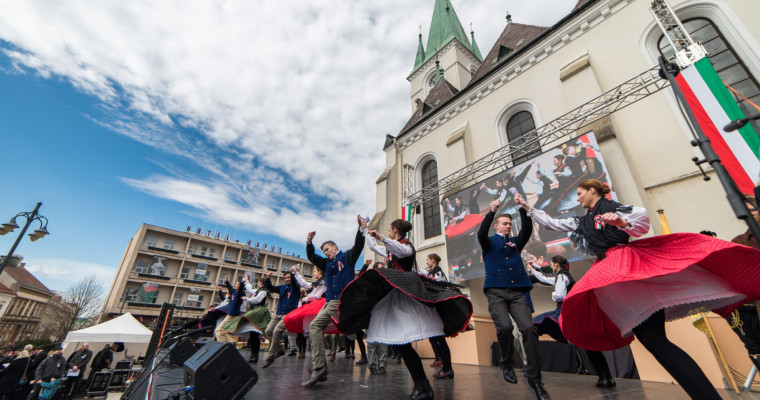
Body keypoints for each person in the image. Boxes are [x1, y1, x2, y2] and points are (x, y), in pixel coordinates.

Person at [516, 179, 760, 400]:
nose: (577, 198)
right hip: (614, 274)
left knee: (655, 340)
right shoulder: (583, 220)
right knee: (653, 341)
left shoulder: (614, 208)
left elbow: (640, 223)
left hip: (627, 268)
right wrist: (528, 208)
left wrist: (621, 221)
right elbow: (553, 222)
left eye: (580, 193)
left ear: (593, 190)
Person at [335, 219, 472, 400]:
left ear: (395, 231)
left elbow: (401, 251)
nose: (389, 233)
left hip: (407, 296)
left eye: (390, 230)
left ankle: (423, 386)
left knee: (403, 344)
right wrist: (365, 230)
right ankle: (422, 386)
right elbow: (375, 247)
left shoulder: (407, 246)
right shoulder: (392, 247)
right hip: (394, 297)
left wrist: (382, 237)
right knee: (401, 344)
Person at [477, 198, 549, 400]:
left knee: (528, 328)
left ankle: (536, 380)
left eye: (510, 224)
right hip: (496, 292)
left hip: (517, 291)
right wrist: (491, 212)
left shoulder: (515, 242)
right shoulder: (489, 241)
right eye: (505, 223)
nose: (508, 226)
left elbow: (526, 230)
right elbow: (481, 232)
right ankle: (507, 363)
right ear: (497, 225)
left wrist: (522, 209)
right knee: (505, 328)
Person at [529, 256, 615, 388]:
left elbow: (559, 295)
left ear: (556, 264)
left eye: (552, 264)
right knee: (591, 347)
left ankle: (605, 377)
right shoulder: (564, 275)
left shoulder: (562, 277)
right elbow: (546, 278)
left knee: (538, 323)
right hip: (576, 314)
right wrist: (534, 270)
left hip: (567, 313)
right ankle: (607, 377)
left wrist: (554, 296)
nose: (551, 267)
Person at [301, 215, 366, 387]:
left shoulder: (347, 258)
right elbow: (312, 257)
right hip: (329, 302)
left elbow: (358, 246)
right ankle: (319, 367)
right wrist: (309, 242)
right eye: (324, 251)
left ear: (335, 247)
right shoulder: (326, 264)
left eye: (328, 249)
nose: (326, 252)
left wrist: (360, 230)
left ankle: (319, 368)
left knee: (316, 327)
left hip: (341, 302)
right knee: (314, 327)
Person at [726, 196, 760, 374]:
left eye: (753, 210)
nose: (750, 215)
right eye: (745, 211)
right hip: (753, 308)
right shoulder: (739, 242)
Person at [220, 277, 271, 363]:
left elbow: (257, 300)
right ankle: (253, 355)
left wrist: (247, 299)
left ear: (261, 282)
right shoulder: (259, 291)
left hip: (258, 312)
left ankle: (255, 356)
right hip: (254, 312)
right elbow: (250, 289)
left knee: (255, 334)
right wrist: (246, 281)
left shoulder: (263, 291)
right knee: (253, 335)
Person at [424, 253, 455, 380]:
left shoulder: (437, 272)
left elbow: (438, 288)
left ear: (432, 261)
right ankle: (446, 367)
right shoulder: (432, 272)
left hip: (439, 308)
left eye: (427, 260)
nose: (426, 262)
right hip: (436, 309)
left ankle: (447, 368)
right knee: (439, 339)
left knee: (440, 340)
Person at [262, 271, 300, 368]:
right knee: (268, 331)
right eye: (286, 278)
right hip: (278, 313)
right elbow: (271, 288)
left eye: (289, 277)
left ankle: (270, 356)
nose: (287, 279)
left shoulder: (296, 287)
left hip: (288, 314)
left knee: (276, 331)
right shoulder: (282, 287)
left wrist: (294, 274)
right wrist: (268, 279)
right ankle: (279, 348)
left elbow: (295, 283)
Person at [215, 275, 247, 343]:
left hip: (233, 314)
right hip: (231, 313)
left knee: (218, 330)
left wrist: (242, 283)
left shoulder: (240, 293)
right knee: (223, 331)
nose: (235, 285)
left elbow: (240, 290)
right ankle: (232, 342)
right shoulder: (234, 293)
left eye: (237, 284)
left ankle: (221, 346)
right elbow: (230, 288)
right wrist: (226, 281)